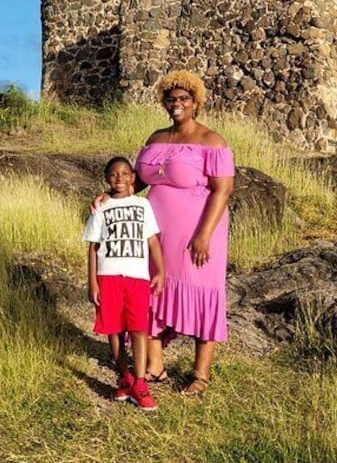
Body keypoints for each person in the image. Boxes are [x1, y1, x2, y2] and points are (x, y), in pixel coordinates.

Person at [95, 70, 234, 396]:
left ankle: (201, 374)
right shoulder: (156, 138)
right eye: (170, 99)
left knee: (201, 293)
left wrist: (203, 235)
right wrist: (109, 194)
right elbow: (139, 181)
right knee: (152, 293)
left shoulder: (212, 142)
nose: (176, 104)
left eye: (183, 98)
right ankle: (155, 365)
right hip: (155, 234)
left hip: (197, 233)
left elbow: (223, 191)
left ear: (196, 102)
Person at [84, 156, 165, 411]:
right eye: (113, 174)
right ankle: (124, 377)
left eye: (124, 174)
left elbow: (152, 240)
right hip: (108, 276)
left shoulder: (143, 205)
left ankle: (140, 383)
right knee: (115, 330)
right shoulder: (101, 208)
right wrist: (92, 282)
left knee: (139, 328)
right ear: (107, 178)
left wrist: (160, 270)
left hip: (137, 277)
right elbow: (93, 247)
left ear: (133, 177)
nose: (119, 178)